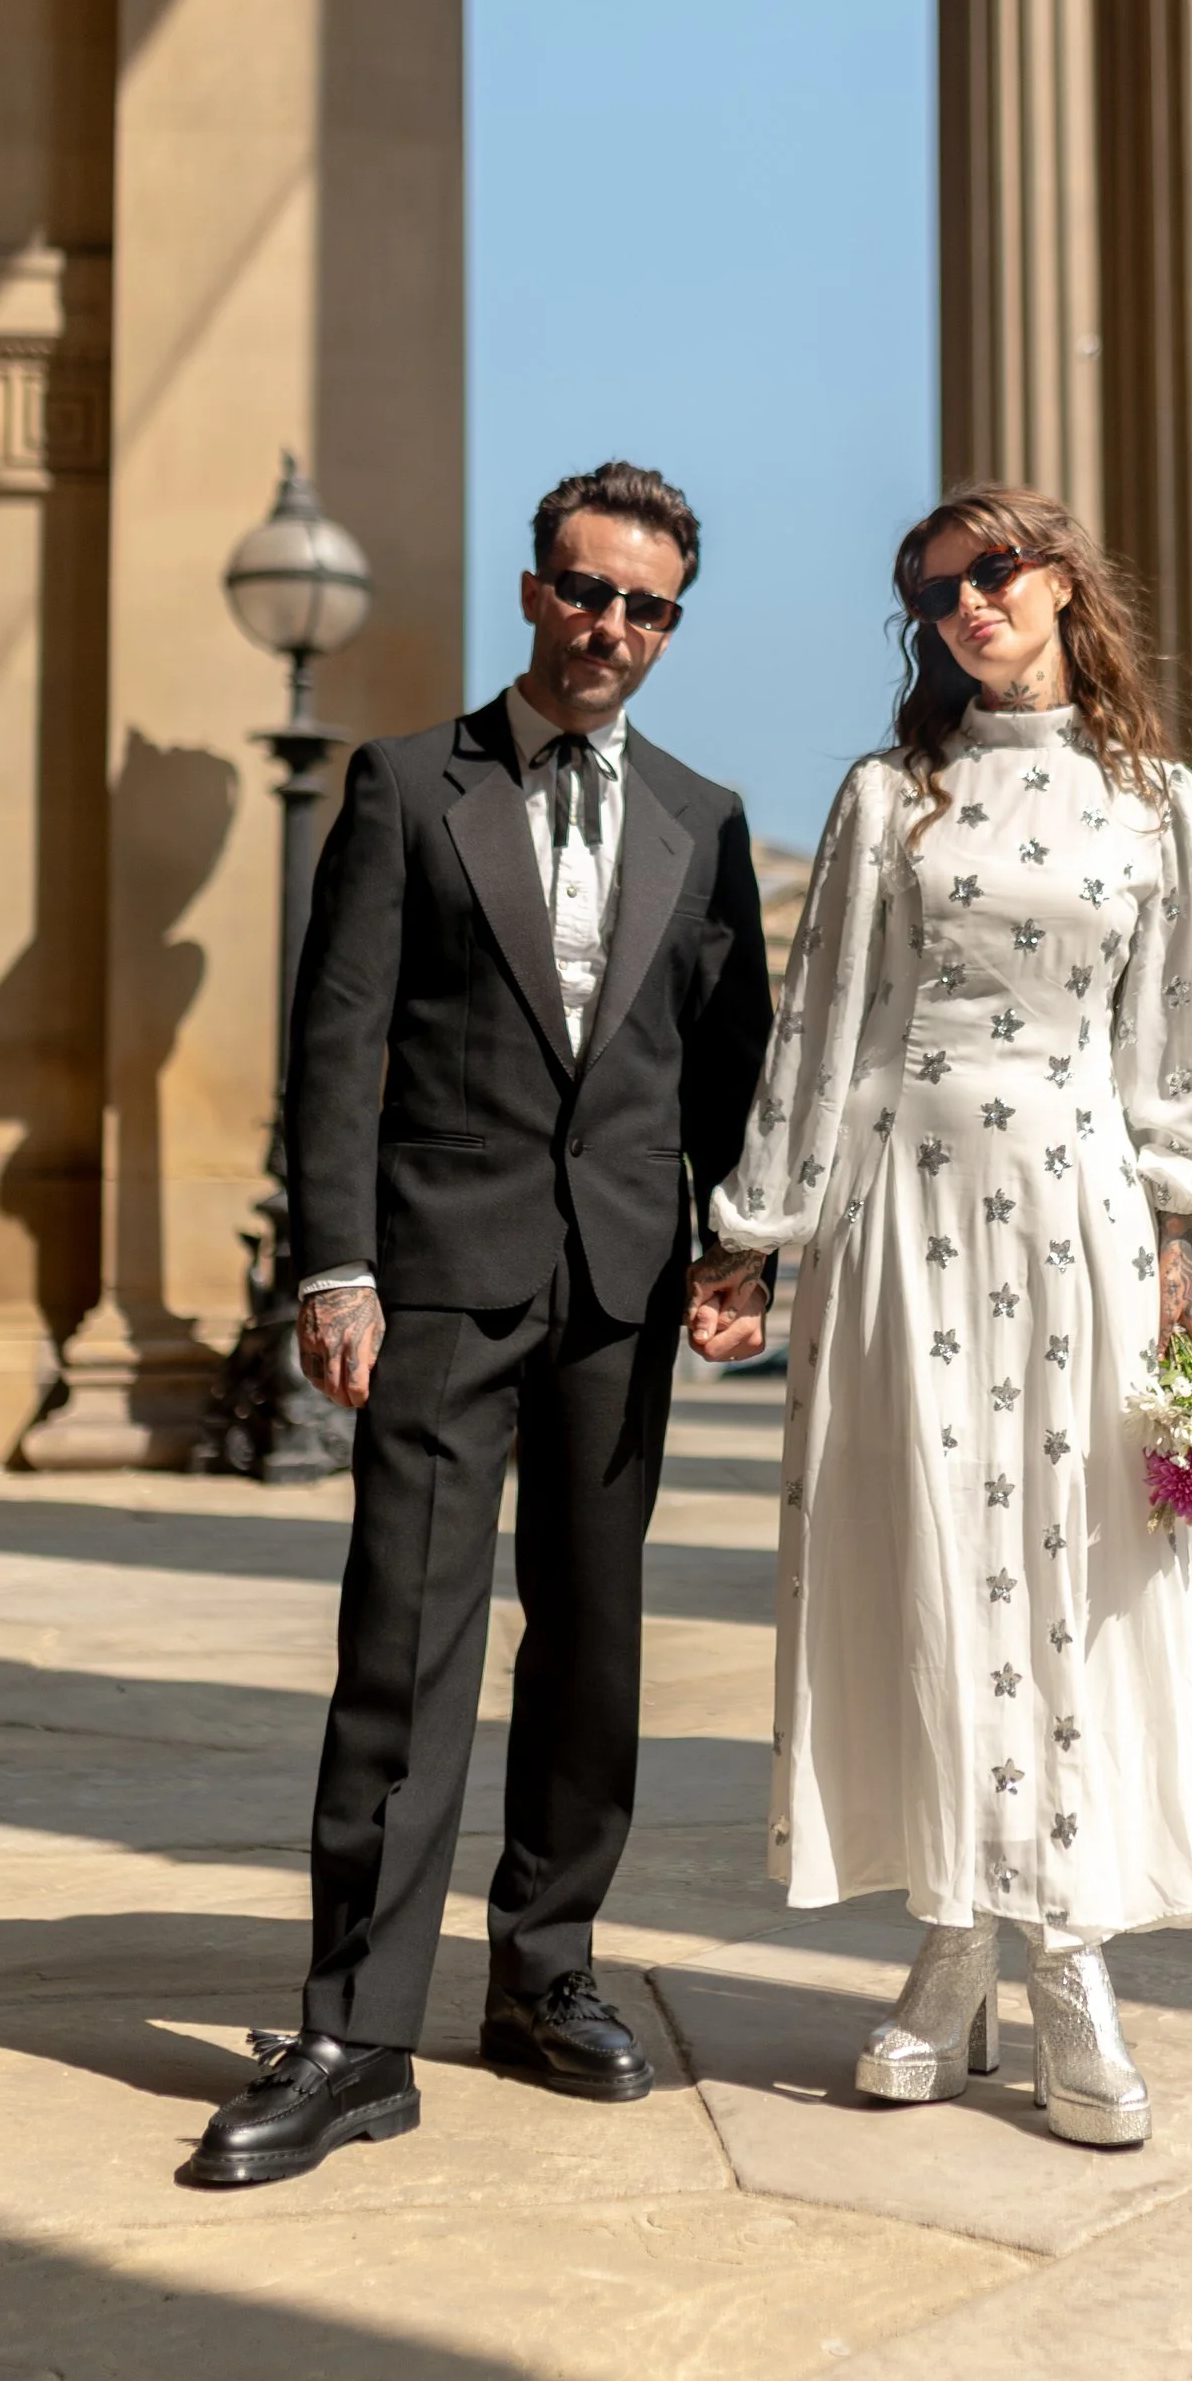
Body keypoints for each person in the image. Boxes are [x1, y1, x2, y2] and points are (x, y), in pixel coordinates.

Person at [188, 461, 771, 2188]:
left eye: (646, 608)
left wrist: (740, 1258)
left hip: (621, 1289)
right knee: (407, 1644)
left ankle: (546, 1973)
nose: (611, 629)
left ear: (672, 625)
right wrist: (336, 1264)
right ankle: (359, 2031)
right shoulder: (401, 786)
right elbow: (338, 1043)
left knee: (594, 1647)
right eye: (587, 593)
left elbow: (729, 1067)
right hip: (436, 1278)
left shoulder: (705, 815)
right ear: (533, 590)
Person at [686, 487, 1192, 2149]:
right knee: (939, 1559)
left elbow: (1186, 1034)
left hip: (1083, 1212)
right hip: (910, 1219)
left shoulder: (1156, 802)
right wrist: (755, 1237)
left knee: (1076, 1568)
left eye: (990, 574)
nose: (964, 605)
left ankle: (1068, 1955)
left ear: (1067, 583)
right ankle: (954, 1939)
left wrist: (1180, 1238)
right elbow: (828, 1033)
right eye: (932, 591)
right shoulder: (893, 794)